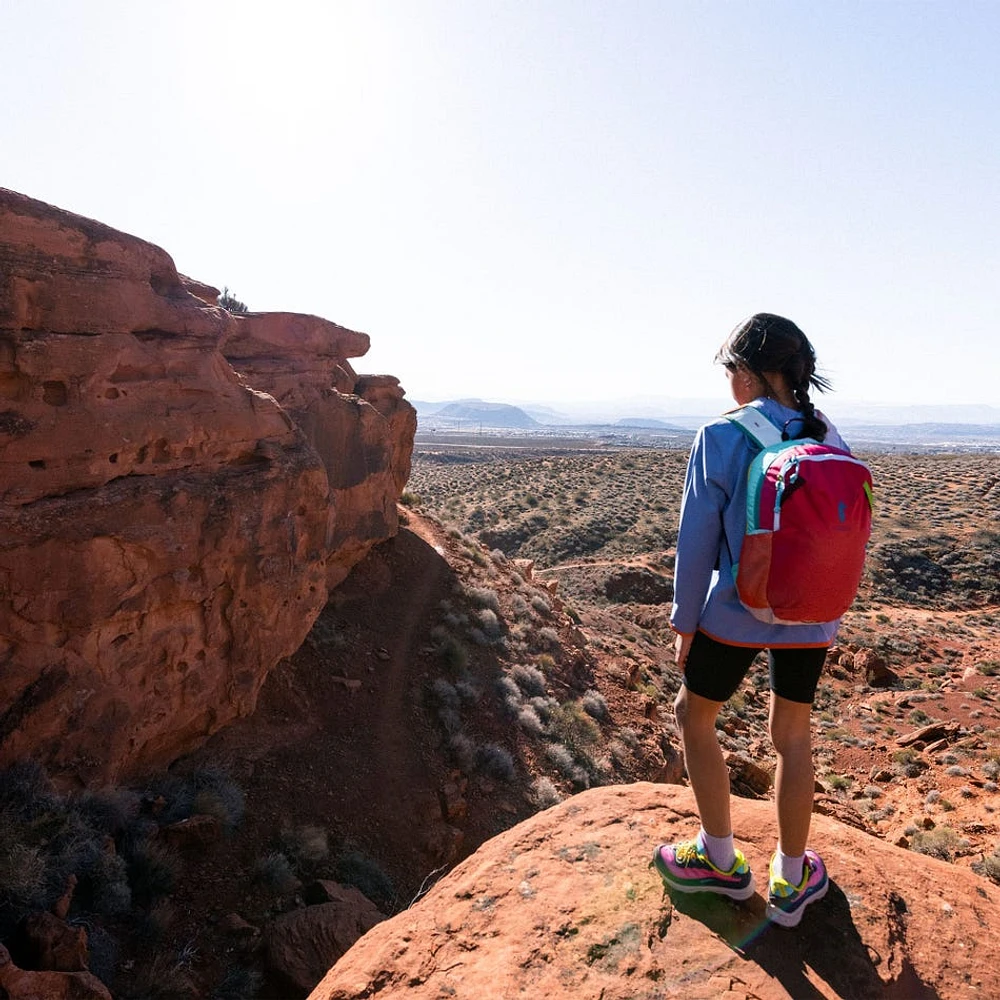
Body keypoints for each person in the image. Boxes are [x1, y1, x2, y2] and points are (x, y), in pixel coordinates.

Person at [653, 313, 847, 928]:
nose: (728, 381)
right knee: (792, 735)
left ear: (755, 373)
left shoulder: (721, 435)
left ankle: (719, 860)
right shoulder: (829, 435)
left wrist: (686, 619)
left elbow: (697, 540)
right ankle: (793, 879)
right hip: (812, 614)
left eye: (731, 368)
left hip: (737, 611)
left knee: (694, 714)